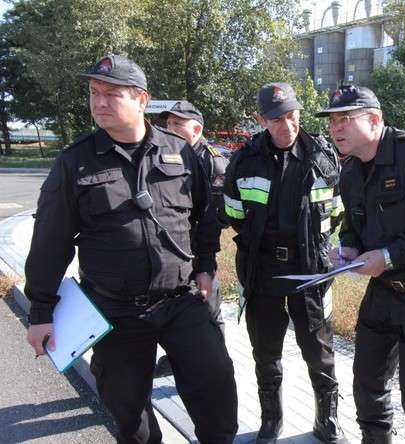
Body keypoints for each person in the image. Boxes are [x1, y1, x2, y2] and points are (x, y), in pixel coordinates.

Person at [24, 54, 238, 444]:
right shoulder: (76, 162)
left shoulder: (180, 151)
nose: (99, 102)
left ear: (142, 99)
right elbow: (50, 242)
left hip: (182, 300)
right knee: (132, 423)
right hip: (115, 311)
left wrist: (206, 264)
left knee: (218, 396)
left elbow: (205, 215)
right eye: (94, 93)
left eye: (112, 94)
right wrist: (40, 311)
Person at [317, 85, 405, 444]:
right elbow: (353, 224)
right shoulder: (350, 170)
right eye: (332, 121)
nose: (335, 128)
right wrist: (349, 248)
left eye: (345, 119)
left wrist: (387, 256)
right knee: (367, 385)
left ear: (375, 120)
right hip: (383, 292)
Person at [222, 82, 348, 444]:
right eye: (277, 119)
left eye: (292, 115)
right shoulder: (244, 160)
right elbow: (233, 213)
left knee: (319, 352)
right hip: (262, 272)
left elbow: (336, 213)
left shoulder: (323, 155)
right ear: (261, 119)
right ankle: (271, 420)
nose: (287, 124)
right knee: (265, 352)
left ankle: (327, 420)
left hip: (310, 271)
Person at [154, 100, 229, 377]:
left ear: (196, 130)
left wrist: (203, 253)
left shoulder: (212, 161)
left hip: (199, 249)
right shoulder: (167, 155)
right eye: (168, 123)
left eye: (177, 124)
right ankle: (176, 359)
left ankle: (217, 364)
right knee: (179, 309)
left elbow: (218, 215)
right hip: (175, 250)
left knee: (209, 309)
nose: (169, 129)